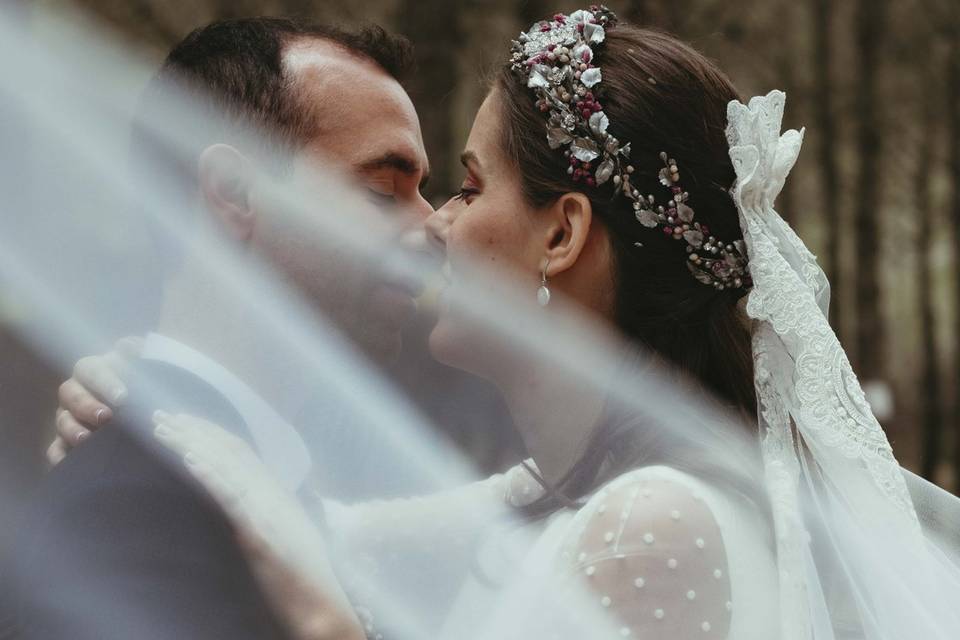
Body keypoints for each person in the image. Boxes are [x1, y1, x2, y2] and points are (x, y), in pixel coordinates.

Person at [42, 7, 960, 640]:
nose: (434, 223)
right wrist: (147, 395)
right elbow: (329, 529)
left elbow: (312, 556)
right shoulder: (537, 496)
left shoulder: (655, 518)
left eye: (466, 187)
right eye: (385, 187)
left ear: (562, 234)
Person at [6, 16, 432, 640]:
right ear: (233, 192)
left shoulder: (264, 476)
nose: (432, 231)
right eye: (381, 191)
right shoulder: (133, 514)